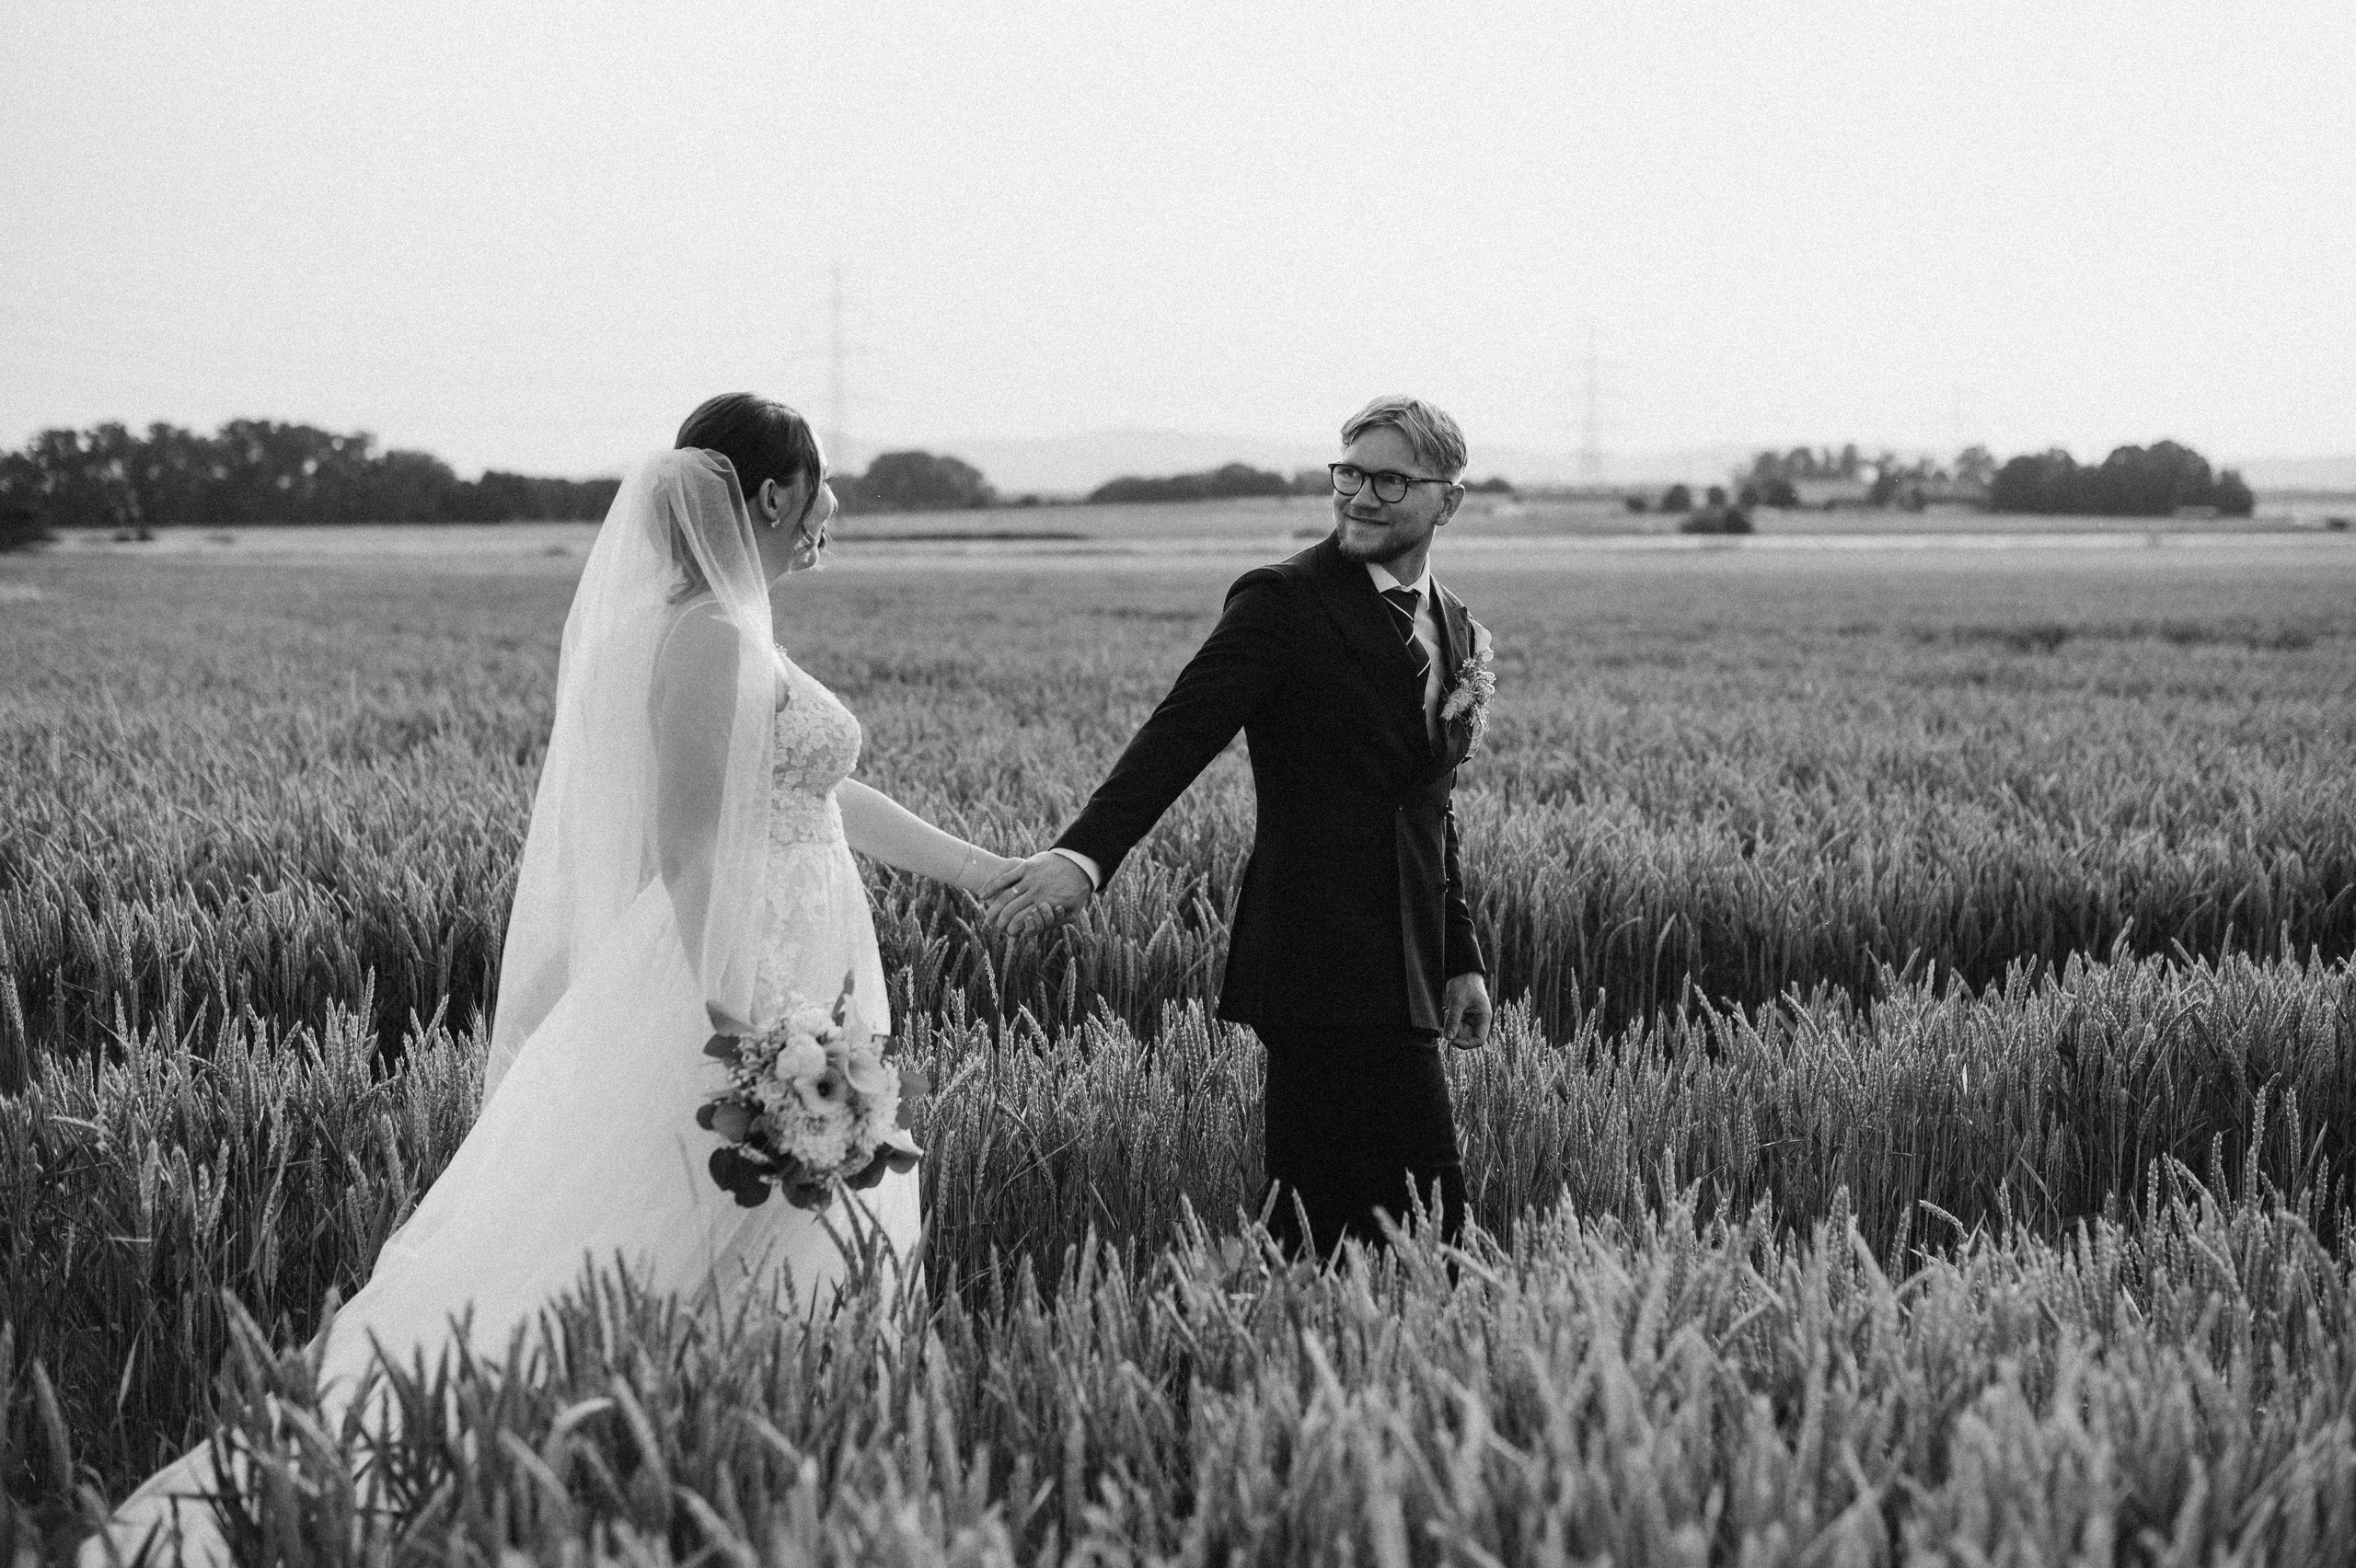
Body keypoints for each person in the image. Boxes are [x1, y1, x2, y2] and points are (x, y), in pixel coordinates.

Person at [85, 394, 1011, 1565]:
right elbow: (686, 849)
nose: (832, 510)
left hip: (802, 965)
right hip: (741, 979)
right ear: (774, 496)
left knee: (762, 1230)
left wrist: (981, 869)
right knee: (678, 1219)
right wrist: (755, 1036)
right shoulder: (709, 636)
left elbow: (808, 796)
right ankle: (621, 1470)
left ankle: (745, 1454)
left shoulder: (729, 623)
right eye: (821, 487)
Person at [985, 394, 1495, 1259]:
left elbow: (1428, 809)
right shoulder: (1285, 601)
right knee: (1368, 1216)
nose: (1361, 497)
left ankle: (1315, 1363)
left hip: (1408, 969)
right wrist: (1085, 856)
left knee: (1388, 1225)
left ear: (1446, 500)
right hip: (1316, 961)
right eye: (1350, 474)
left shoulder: (1457, 625)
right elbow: (1178, 735)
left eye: (1390, 480)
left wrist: (1460, 957)